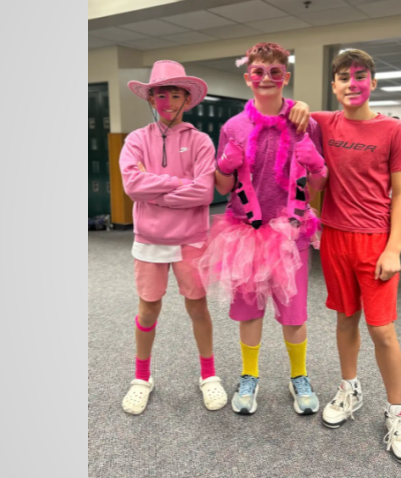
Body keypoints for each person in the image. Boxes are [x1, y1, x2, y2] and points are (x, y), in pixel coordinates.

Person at [286, 48, 401, 463]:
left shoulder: (394, 130)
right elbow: (281, 112)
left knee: (382, 330)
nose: (352, 83)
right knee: (346, 318)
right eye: (343, 77)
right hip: (335, 239)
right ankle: (350, 388)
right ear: (334, 86)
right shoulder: (324, 123)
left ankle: (397, 412)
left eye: (360, 76)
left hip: (376, 241)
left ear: (372, 83)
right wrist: (301, 104)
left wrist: (395, 248)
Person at [205, 42, 327, 416]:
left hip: (291, 234)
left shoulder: (306, 123)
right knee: (249, 313)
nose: (266, 79)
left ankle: (299, 377)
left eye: (275, 72)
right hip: (246, 232)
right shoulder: (232, 127)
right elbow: (223, 188)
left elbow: (320, 185)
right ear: (248, 78)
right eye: (259, 72)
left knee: (294, 314)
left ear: (285, 77)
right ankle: (249, 376)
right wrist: (225, 165)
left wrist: (317, 163)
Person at [116, 60, 226, 416]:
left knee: (197, 306)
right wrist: (182, 184)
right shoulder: (135, 139)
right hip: (149, 239)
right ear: (150, 97)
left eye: (174, 93)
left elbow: (204, 193)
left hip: (191, 238)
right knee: (148, 308)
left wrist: (157, 190)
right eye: (159, 93)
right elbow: (132, 185)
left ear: (185, 99)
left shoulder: (200, 141)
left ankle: (208, 375)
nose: (166, 100)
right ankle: (141, 378)